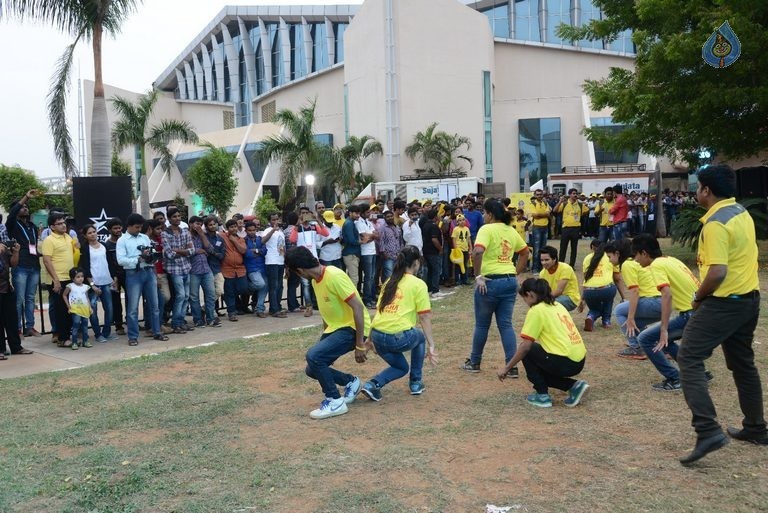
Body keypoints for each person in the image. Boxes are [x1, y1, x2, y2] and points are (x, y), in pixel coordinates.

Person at [677, 165, 766, 465]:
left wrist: (698, 297)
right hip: (749, 300)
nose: (696, 191)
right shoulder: (740, 212)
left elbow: (717, 271)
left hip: (724, 303)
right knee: (743, 364)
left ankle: (707, 429)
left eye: (698, 186)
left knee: (688, 357)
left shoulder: (715, 223)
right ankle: (755, 427)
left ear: (706, 190)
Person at [285, 246, 372, 420]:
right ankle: (350, 382)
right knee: (312, 368)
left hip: (352, 327)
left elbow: (358, 307)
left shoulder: (334, 275)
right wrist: (325, 337)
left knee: (314, 356)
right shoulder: (315, 281)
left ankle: (335, 401)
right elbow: (327, 311)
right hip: (336, 329)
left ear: (300, 270)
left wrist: (360, 343)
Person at [461, 199, 529, 376]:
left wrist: (477, 276)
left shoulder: (486, 229)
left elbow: (477, 251)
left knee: (482, 325)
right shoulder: (510, 230)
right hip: (508, 281)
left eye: (484, 212)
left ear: (490, 214)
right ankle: (511, 366)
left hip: (489, 282)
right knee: (506, 325)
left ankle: (474, 362)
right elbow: (525, 252)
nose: (483, 215)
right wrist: (514, 273)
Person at [361, 245, 438, 401]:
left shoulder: (390, 281)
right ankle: (416, 382)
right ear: (416, 263)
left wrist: (369, 339)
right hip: (396, 337)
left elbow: (379, 312)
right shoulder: (418, 284)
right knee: (420, 337)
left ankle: (372, 385)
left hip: (377, 335)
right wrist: (431, 345)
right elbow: (424, 317)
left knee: (401, 367)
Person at [497, 278, 588, 408]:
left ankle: (542, 395)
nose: (526, 302)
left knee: (528, 351)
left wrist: (507, 368)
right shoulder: (558, 305)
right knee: (538, 361)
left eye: (524, 298)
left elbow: (525, 347)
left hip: (565, 362)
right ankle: (574, 386)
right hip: (579, 360)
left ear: (530, 295)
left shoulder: (536, 310)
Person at [631, 234, 702, 391]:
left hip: (691, 315)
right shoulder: (671, 259)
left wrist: (663, 328)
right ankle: (699, 372)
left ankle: (675, 378)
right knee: (665, 339)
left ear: (644, 253)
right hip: (701, 312)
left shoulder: (656, 265)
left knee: (645, 338)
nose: (635, 260)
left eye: (635, 255)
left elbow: (667, 294)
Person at [116, 213, 169, 346]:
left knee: (155, 305)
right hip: (133, 273)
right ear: (129, 226)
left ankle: (156, 331)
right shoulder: (122, 240)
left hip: (149, 271)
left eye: (140, 227)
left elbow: (150, 252)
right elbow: (121, 260)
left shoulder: (144, 237)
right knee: (133, 307)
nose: (139, 229)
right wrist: (138, 259)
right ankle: (133, 336)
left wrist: (151, 256)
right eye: (137, 227)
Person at [605, 239, 660, 360]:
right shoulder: (637, 262)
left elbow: (635, 291)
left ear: (617, 253)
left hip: (654, 302)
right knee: (633, 319)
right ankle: (650, 344)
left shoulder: (627, 265)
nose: (609, 260)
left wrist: (630, 317)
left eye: (609, 257)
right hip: (663, 303)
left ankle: (636, 347)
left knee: (620, 310)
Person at [6, 189, 42, 337]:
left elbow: (31, 246)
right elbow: (13, 213)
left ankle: (30, 327)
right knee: (19, 298)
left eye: (27, 206)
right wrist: (26, 197)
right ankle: (17, 328)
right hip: (20, 266)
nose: (25, 207)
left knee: (30, 298)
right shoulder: (12, 224)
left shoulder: (32, 226)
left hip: (34, 266)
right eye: (22, 206)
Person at [41, 212, 75, 347]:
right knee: (61, 311)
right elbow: (47, 261)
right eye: (59, 223)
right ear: (52, 227)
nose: (63, 225)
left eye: (63, 222)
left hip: (70, 279)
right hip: (58, 280)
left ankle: (68, 335)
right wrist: (55, 280)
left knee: (69, 310)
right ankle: (62, 338)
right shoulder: (49, 240)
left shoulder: (68, 237)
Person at [78, 224, 117, 342]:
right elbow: (85, 267)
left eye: (94, 231)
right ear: (85, 235)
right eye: (89, 233)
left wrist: (114, 277)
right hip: (93, 284)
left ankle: (107, 332)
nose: (92, 234)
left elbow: (110, 263)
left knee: (109, 309)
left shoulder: (104, 246)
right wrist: (92, 284)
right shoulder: (84, 249)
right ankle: (97, 334)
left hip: (106, 282)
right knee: (93, 310)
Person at [162, 208, 194, 333]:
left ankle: (181, 321)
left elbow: (192, 251)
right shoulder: (165, 233)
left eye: (179, 216)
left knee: (186, 296)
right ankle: (176, 323)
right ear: (169, 219)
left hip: (186, 267)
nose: (178, 218)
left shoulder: (185, 232)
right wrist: (184, 250)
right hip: (174, 270)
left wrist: (178, 250)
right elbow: (169, 254)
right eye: (174, 216)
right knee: (180, 296)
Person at [0, 239, 33, 358]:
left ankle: (16, 347)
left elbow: (13, 263)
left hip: (6, 288)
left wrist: (16, 252)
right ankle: (1, 350)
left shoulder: (3, 247)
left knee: (12, 319)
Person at [577, 239, 618, 331]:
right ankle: (606, 321)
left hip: (589, 291)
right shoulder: (610, 257)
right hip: (606, 289)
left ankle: (590, 317)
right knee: (609, 298)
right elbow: (617, 279)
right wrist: (623, 297)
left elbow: (586, 279)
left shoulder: (587, 258)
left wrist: (582, 299)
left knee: (595, 309)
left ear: (592, 248)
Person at [188, 216, 219, 327]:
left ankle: (211, 318)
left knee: (211, 295)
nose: (199, 226)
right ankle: (198, 320)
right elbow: (185, 251)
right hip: (193, 270)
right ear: (191, 224)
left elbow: (210, 249)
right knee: (194, 297)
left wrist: (201, 234)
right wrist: (198, 250)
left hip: (206, 269)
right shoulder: (185, 235)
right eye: (196, 224)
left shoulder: (203, 235)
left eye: (200, 224)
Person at [219, 219, 248, 322]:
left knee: (244, 288)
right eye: (231, 227)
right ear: (228, 228)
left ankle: (228, 298)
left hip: (240, 269)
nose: (234, 229)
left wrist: (234, 240)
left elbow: (243, 250)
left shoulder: (240, 239)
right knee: (230, 292)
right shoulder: (222, 237)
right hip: (227, 269)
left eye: (235, 226)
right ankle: (231, 313)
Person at [261, 213, 287, 318]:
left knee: (280, 286)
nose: (275, 221)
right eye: (273, 220)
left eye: (277, 219)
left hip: (280, 260)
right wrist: (273, 230)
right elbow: (263, 241)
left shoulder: (281, 232)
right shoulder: (267, 230)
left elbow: (283, 247)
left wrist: (285, 261)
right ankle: (274, 309)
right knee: (274, 286)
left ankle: (278, 306)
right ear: (269, 221)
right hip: (271, 261)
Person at [538, 246, 580, 312]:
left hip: (570, 298)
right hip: (553, 297)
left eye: (546, 260)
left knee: (549, 305)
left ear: (554, 259)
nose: (543, 263)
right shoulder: (542, 273)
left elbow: (559, 291)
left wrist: (543, 300)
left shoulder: (565, 268)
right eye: (542, 260)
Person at [104, 218, 126, 336]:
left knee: (130, 299)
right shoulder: (107, 245)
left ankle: (131, 321)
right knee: (116, 301)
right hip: (114, 277)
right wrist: (113, 277)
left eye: (119, 228)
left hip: (127, 274)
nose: (118, 230)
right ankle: (118, 325)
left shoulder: (125, 241)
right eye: (115, 228)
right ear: (109, 230)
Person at [555, 188, 588, 268]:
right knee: (563, 247)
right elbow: (555, 210)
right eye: (573, 193)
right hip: (566, 229)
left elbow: (587, 210)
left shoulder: (580, 204)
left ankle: (571, 265)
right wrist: (560, 201)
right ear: (569, 195)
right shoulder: (565, 203)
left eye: (576, 193)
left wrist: (580, 215)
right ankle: (561, 265)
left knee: (574, 248)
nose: (575, 195)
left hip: (576, 229)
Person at [243, 221, 269, 318]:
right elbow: (247, 254)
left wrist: (256, 250)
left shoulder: (260, 239)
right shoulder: (244, 240)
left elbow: (264, 251)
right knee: (260, 284)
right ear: (246, 231)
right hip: (251, 268)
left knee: (265, 287)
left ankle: (260, 309)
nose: (252, 232)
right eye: (250, 230)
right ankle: (245, 289)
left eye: (254, 230)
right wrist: (257, 252)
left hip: (262, 267)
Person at [62, 267, 92, 350]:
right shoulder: (70, 286)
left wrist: (90, 307)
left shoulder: (86, 287)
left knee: (85, 326)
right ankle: (74, 342)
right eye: (78, 277)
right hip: (75, 309)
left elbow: (87, 297)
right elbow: (64, 295)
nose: (80, 278)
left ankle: (85, 341)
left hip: (85, 308)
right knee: (76, 325)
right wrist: (69, 306)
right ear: (72, 278)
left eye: (82, 276)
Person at [355, 205, 379, 308]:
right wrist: (371, 236)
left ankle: (371, 298)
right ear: (362, 213)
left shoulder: (369, 222)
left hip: (372, 251)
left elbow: (376, 235)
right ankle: (367, 299)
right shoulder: (358, 223)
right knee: (368, 277)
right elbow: (363, 237)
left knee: (373, 276)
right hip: (365, 253)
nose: (369, 214)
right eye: (368, 212)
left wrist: (371, 236)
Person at [421, 208, 444, 298]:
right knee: (436, 270)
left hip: (426, 251)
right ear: (435, 217)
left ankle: (430, 289)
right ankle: (435, 290)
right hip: (433, 252)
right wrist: (440, 248)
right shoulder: (434, 226)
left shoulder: (425, 225)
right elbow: (434, 239)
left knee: (430, 270)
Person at [204, 216, 226, 305]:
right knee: (209, 292)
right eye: (210, 225)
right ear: (206, 226)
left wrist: (214, 253)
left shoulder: (220, 238)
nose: (213, 226)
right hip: (206, 268)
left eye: (214, 224)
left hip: (217, 268)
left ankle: (205, 307)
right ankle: (212, 313)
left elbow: (222, 255)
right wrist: (214, 253)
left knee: (220, 290)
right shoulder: (203, 237)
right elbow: (206, 252)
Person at [376, 210, 403, 281]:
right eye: (388, 217)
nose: (390, 218)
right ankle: (388, 290)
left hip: (397, 255)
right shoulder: (382, 228)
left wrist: (401, 251)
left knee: (396, 275)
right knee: (389, 275)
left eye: (391, 216)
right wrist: (384, 254)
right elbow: (381, 242)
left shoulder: (396, 227)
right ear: (384, 218)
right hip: (388, 256)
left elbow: (400, 240)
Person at [528, 189, 550, 273]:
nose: (539, 196)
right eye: (538, 194)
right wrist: (544, 214)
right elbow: (535, 215)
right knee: (536, 249)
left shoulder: (545, 203)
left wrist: (540, 214)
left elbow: (548, 214)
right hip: (536, 227)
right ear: (535, 195)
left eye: (541, 194)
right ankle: (535, 268)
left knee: (543, 249)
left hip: (545, 227)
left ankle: (541, 268)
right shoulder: (532, 203)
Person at [341, 205, 362, 287]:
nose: (358, 215)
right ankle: (353, 299)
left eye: (359, 213)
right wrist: (362, 242)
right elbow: (351, 240)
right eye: (356, 213)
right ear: (350, 213)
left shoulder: (350, 222)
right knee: (354, 279)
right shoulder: (349, 223)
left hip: (352, 253)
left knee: (352, 278)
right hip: (350, 254)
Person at [451, 214, 472, 285]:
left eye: (463, 220)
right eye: (460, 220)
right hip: (459, 250)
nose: (462, 222)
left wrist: (471, 248)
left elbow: (468, 239)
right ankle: (457, 280)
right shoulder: (455, 229)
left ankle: (465, 279)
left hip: (465, 249)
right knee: (458, 266)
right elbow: (454, 239)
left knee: (465, 265)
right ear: (457, 222)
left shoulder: (467, 229)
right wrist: (456, 249)